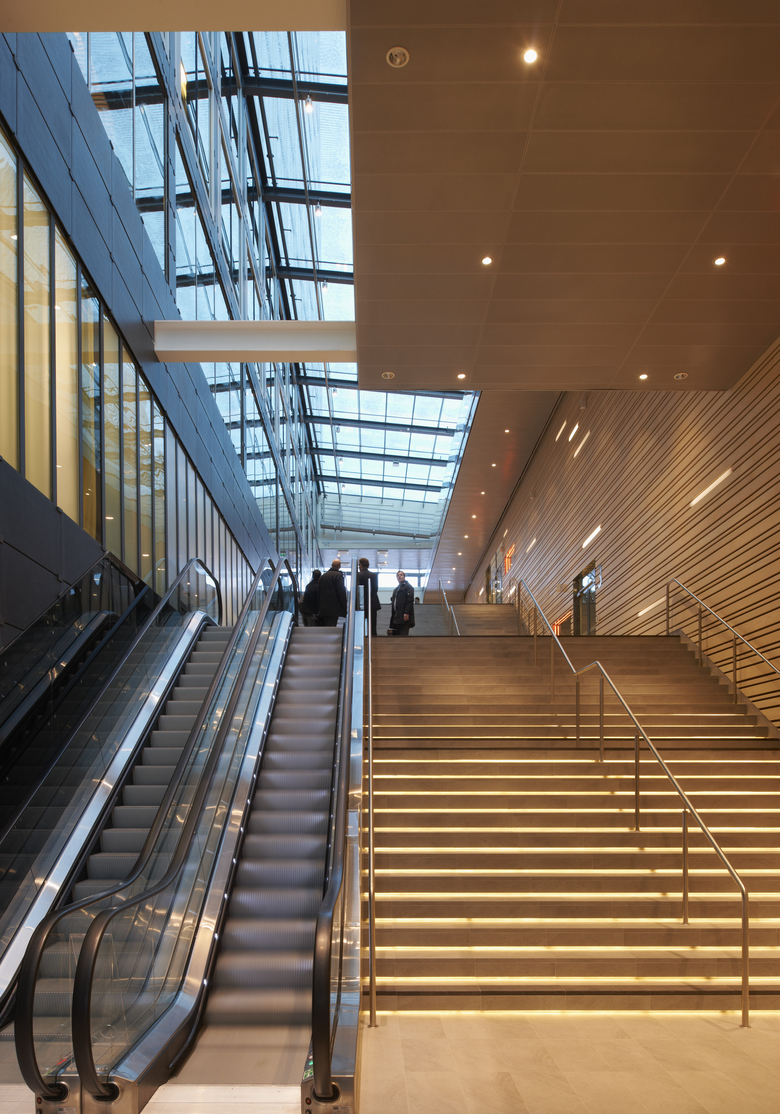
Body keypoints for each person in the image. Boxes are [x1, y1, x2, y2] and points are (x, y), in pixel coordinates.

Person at [317, 559, 347, 626]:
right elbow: (340, 591)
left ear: (331, 565)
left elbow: (319, 591)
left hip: (323, 606)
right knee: (332, 625)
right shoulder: (338, 575)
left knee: (325, 625)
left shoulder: (324, 576)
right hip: (334, 607)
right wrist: (344, 605)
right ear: (339, 566)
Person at [357, 557, 381, 637]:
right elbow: (375, 589)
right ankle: (373, 639)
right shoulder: (374, 575)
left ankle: (361, 638)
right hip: (372, 602)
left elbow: (357, 590)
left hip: (361, 603)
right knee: (372, 624)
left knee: (360, 624)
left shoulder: (358, 575)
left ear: (360, 565)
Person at [389, 570, 415, 636]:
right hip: (397, 615)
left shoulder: (408, 587)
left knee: (403, 634)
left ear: (404, 576)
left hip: (403, 614)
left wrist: (406, 612)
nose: (399, 576)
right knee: (398, 634)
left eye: (401, 575)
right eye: (398, 575)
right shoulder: (396, 589)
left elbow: (410, 601)